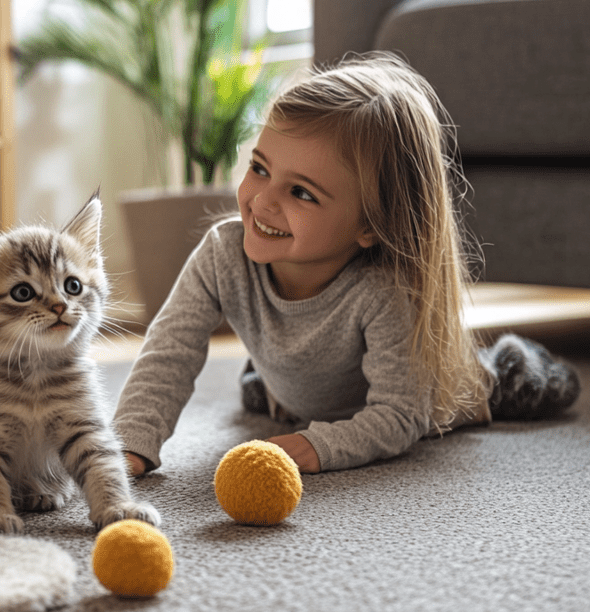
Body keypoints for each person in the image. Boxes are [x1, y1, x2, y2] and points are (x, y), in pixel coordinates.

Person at [116, 53, 580, 476]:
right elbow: (169, 352)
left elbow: (399, 416)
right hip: (310, 386)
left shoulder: (381, 292)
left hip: (437, 393)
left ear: (370, 227)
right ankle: (286, 385)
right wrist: (130, 444)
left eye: (301, 193)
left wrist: (317, 444)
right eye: (260, 168)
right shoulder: (222, 253)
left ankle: (510, 363)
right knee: (261, 390)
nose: (263, 201)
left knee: (507, 388)